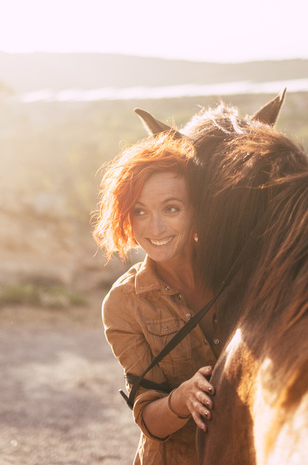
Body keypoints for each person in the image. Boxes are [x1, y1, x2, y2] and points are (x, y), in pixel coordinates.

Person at [93, 133, 221, 464]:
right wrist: (181, 398)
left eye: (172, 208)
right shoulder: (124, 304)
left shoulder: (242, 274)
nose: (157, 227)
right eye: (140, 212)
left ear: (196, 209)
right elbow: (148, 418)